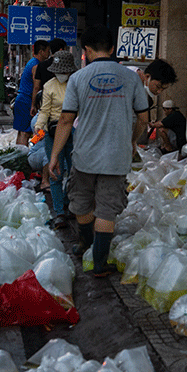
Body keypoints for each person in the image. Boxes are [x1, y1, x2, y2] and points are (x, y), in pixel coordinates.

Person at [47, 26, 148, 277]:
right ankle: (99, 263)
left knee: (81, 203)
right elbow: (143, 119)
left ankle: (85, 245)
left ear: (87, 51)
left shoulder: (78, 78)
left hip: (85, 156)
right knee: (107, 209)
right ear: (113, 48)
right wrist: (132, 141)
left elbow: (66, 121)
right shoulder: (132, 77)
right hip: (117, 155)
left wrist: (55, 155)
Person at [36, 48, 77, 226]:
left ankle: (70, 203)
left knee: (75, 171)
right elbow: (44, 111)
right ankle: (59, 211)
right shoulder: (49, 86)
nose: (61, 75)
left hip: (75, 132)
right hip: (54, 132)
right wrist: (39, 128)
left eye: (64, 72)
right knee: (56, 173)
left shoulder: (75, 84)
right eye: (58, 72)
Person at [14, 40, 51, 145]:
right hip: (27, 100)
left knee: (21, 132)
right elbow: (36, 87)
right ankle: (24, 155)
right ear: (41, 51)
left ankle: (18, 154)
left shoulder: (31, 62)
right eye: (47, 51)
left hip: (21, 99)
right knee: (26, 133)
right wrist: (33, 105)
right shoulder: (36, 66)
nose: (49, 54)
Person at [31, 38, 67, 112]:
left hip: (45, 103)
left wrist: (33, 105)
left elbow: (36, 87)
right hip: (62, 104)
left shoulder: (41, 65)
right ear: (61, 50)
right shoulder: (67, 66)